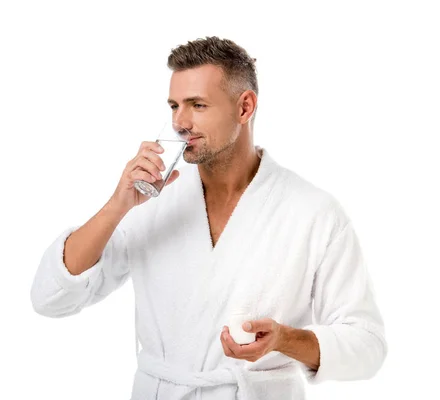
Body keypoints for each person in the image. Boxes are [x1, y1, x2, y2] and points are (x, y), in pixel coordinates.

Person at [30, 36, 387, 400]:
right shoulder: (150, 199)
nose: (180, 123)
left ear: (245, 107)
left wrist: (285, 339)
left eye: (197, 105)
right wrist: (117, 205)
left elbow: (368, 345)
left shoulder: (313, 211)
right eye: (174, 106)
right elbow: (50, 297)